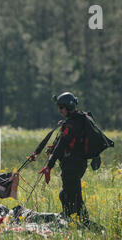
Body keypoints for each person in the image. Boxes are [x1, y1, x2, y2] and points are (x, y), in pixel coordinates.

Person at [38, 92, 94, 226]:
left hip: (72, 165)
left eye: (61, 108)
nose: (59, 111)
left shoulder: (72, 123)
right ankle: (69, 220)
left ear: (68, 107)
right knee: (65, 195)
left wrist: (49, 166)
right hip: (78, 164)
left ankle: (86, 224)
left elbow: (62, 144)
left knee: (75, 197)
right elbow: (67, 143)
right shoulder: (80, 119)